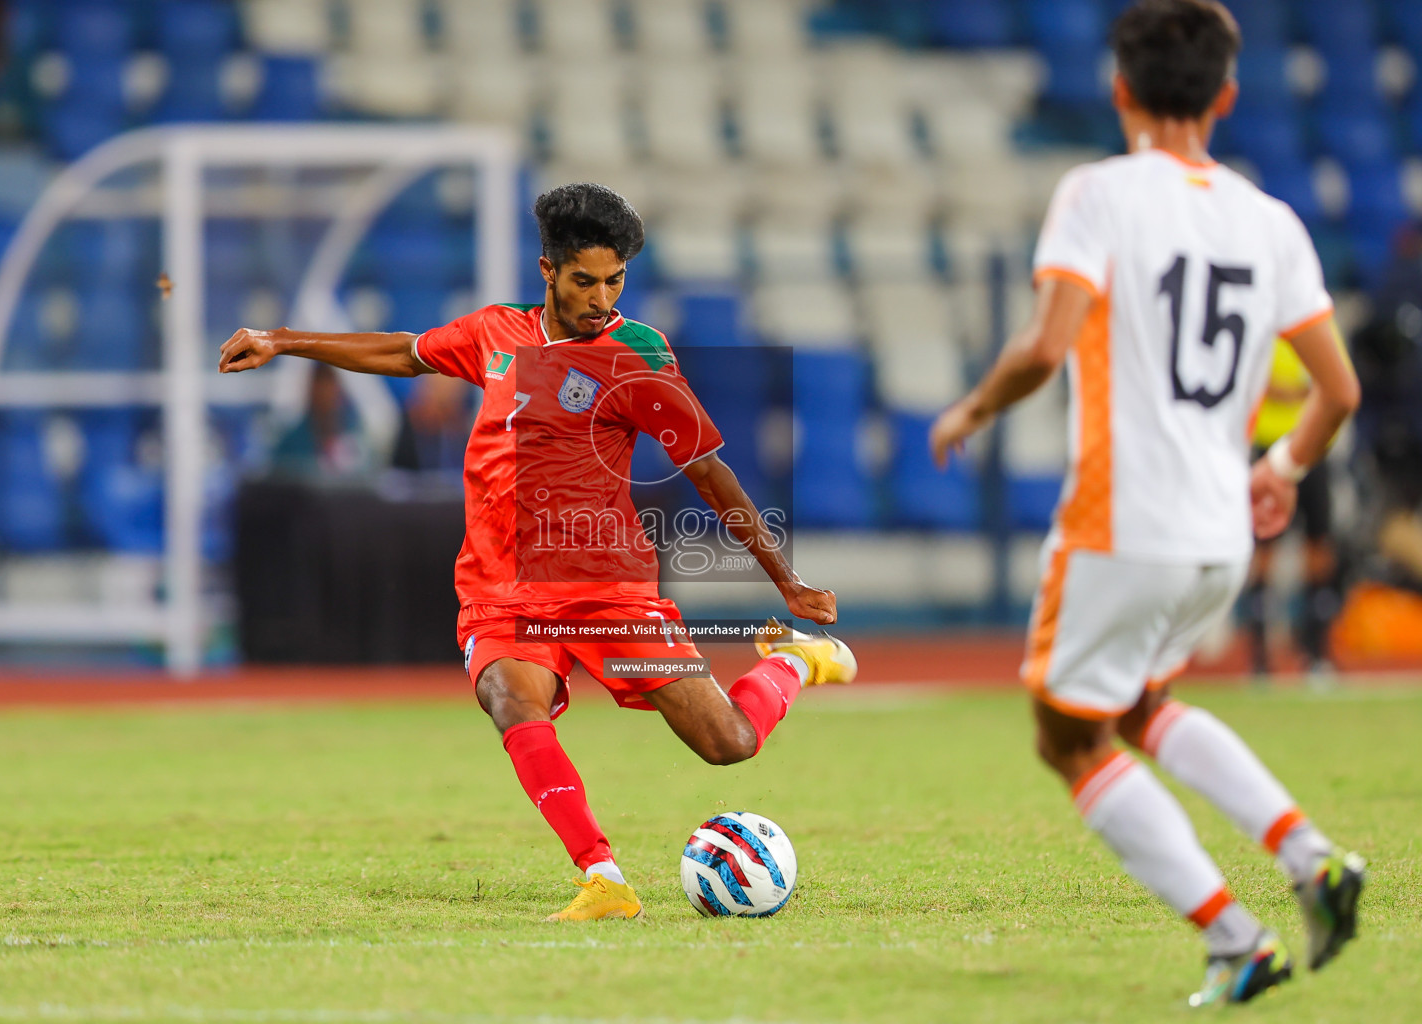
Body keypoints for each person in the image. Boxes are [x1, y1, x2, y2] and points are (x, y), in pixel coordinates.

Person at [219, 182, 856, 921]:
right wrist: (283, 341)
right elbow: (404, 351)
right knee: (509, 698)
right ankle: (603, 878)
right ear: (548, 270)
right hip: (502, 589)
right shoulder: (495, 333)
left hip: (608, 587)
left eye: (615, 280)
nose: (601, 297)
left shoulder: (639, 352)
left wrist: (787, 581)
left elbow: (708, 470)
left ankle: (791, 661)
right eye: (585, 280)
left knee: (729, 745)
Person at [930, 0, 1364, 1006]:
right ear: (1227, 96)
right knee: (1138, 704)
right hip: (1219, 527)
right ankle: (1311, 858)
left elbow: (1044, 343)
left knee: (1064, 734)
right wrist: (1283, 469)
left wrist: (972, 405)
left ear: (1118, 88)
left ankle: (1236, 937)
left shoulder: (1098, 193)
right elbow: (1338, 391)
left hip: (1125, 520)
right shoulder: (1272, 220)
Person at [1244, 338, 1340, 677]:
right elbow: (1333, 388)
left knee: (1318, 551)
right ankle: (1259, 659)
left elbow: (1335, 383)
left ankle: (1316, 655)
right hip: (1270, 448)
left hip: (1313, 449)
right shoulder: (1266, 328)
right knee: (1263, 551)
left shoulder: (1322, 324)